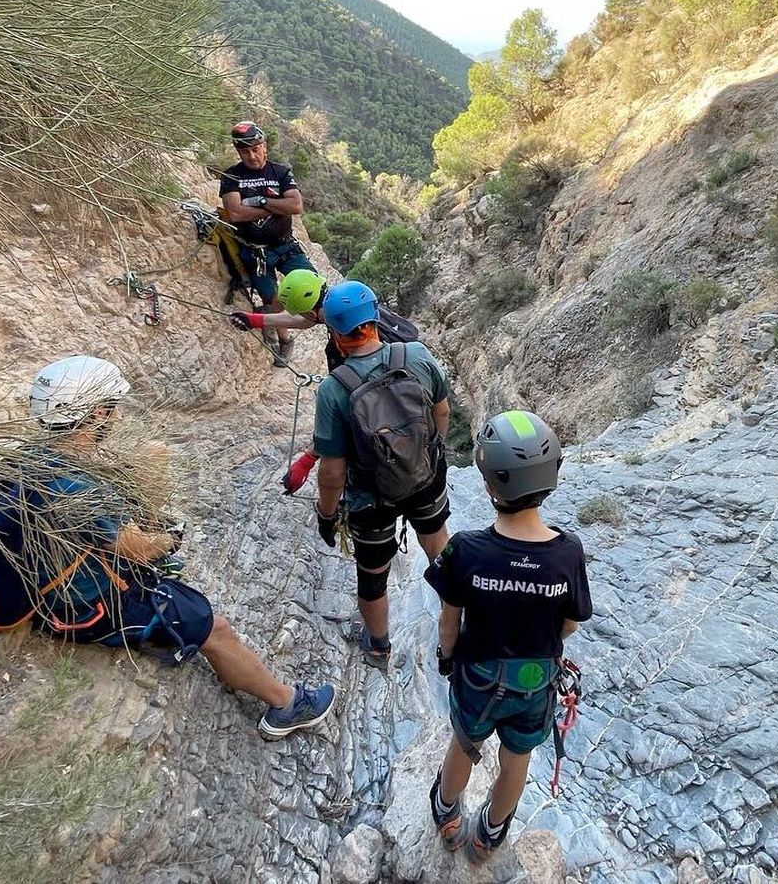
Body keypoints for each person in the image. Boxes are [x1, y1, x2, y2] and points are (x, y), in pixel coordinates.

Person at [0, 355, 336, 740]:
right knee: (214, 627)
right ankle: (286, 705)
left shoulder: (28, 459)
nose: (116, 419)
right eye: (111, 410)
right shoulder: (78, 490)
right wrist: (171, 538)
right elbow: (138, 551)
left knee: (154, 453)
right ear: (97, 413)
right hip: (83, 606)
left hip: (50, 576)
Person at [423, 409, 592, 862]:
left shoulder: (466, 549)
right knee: (518, 755)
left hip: (477, 671)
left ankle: (447, 810)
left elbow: (448, 619)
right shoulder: (568, 552)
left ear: (490, 485)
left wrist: (446, 658)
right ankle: (491, 832)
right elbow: (570, 625)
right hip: (535, 678)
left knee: (466, 741)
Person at [310, 281, 452, 669]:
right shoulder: (417, 355)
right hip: (425, 478)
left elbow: (333, 470)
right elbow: (441, 412)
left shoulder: (334, 390)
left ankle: (378, 646)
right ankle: (456, 629)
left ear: (336, 334)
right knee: (439, 549)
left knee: (373, 575)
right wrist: (429, 453)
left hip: (369, 498)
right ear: (374, 319)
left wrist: (326, 514)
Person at [227, 269, 423, 495]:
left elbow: (347, 418)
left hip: (390, 440)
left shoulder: (347, 352)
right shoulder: (351, 306)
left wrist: (308, 459)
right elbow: (302, 319)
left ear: (313, 314)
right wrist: (255, 320)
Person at [218, 120, 315, 361]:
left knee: (315, 286)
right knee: (272, 299)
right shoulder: (231, 176)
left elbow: (295, 205)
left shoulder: (280, 172)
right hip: (255, 251)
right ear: (239, 152)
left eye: (255, 149)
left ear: (265, 146)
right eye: (245, 151)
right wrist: (275, 207)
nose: (251, 156)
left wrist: (259, 202)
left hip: (285, 245)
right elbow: (235, 213)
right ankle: (284, 341)